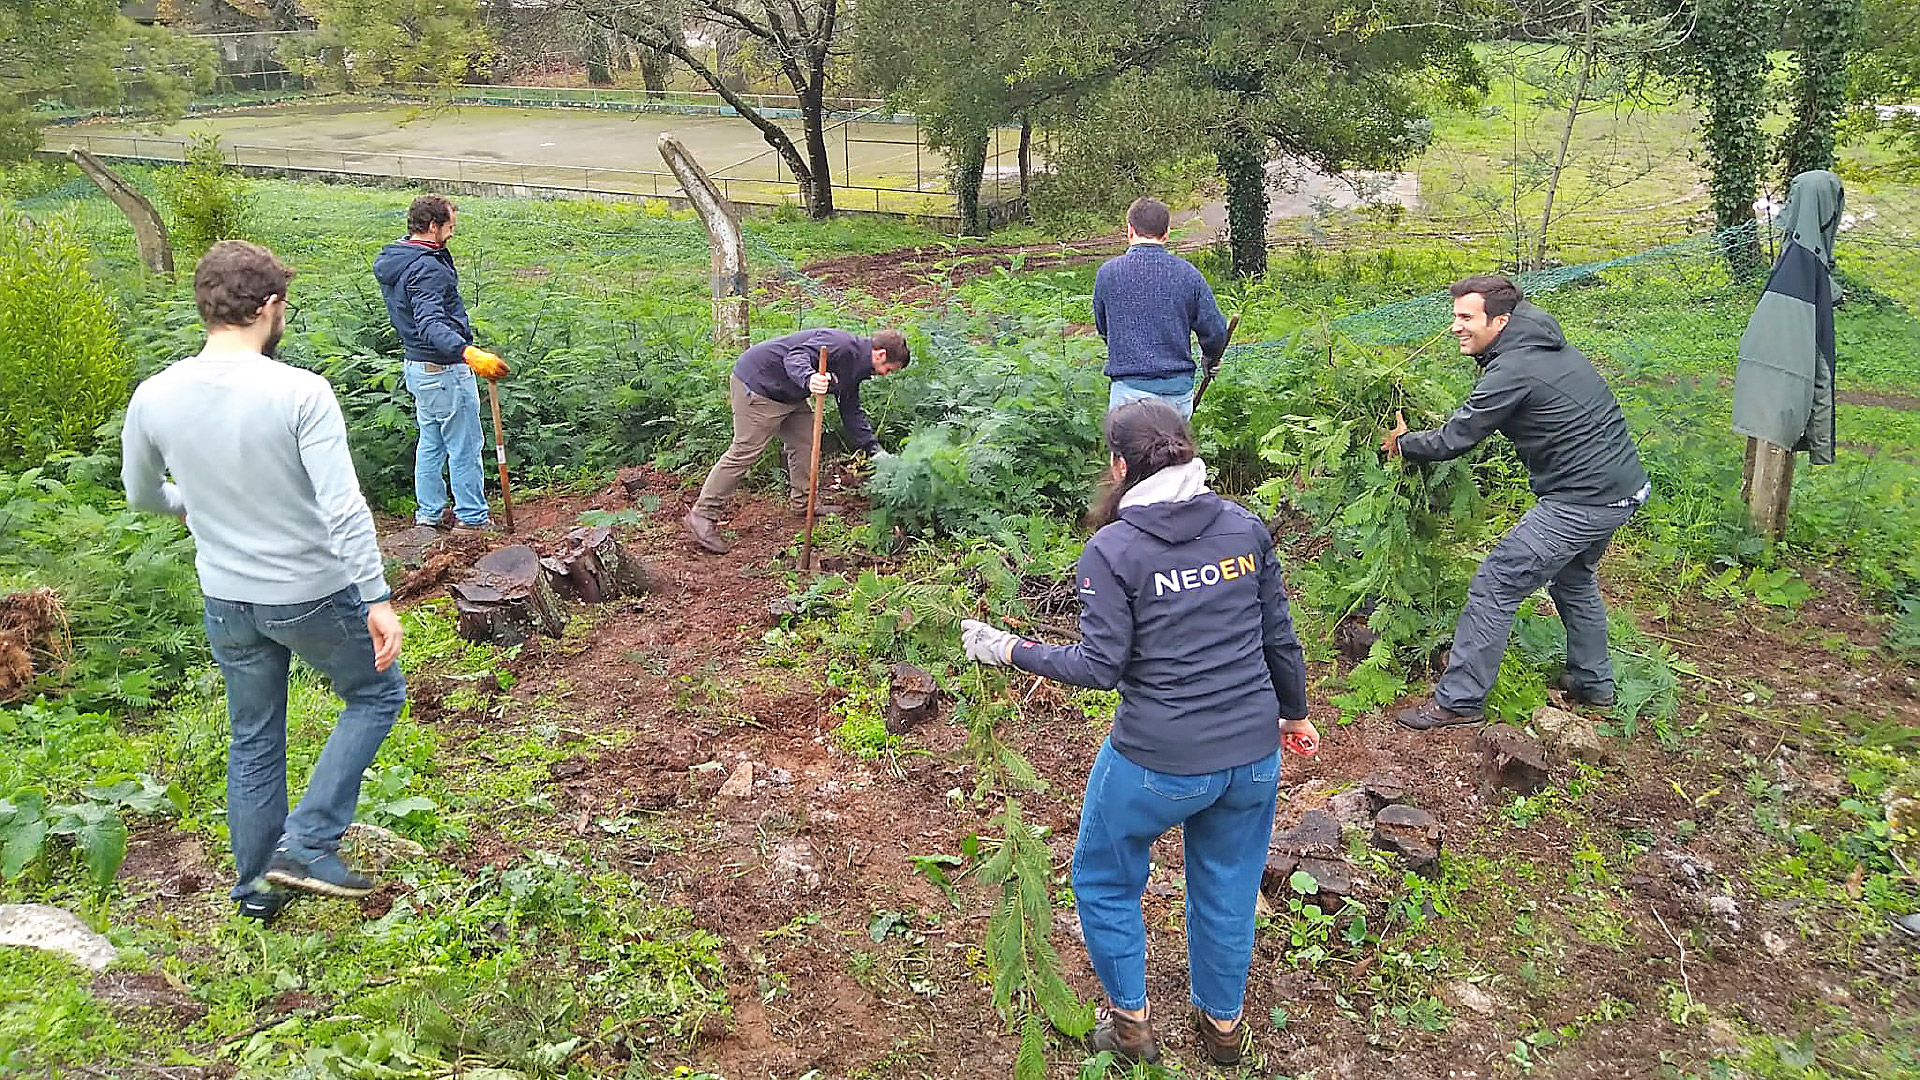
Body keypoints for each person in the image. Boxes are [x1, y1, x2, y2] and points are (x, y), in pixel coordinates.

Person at [959, 399, 1315, 1067]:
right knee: (1229, 885)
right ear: (1185, 449)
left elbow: (1100, 665)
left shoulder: (1114, 549)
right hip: (1251, 756)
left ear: (1119, 465)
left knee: (1104, 877)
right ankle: (1224, 1028)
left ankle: (1130, 1028)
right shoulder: (1243, 528)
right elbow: (1279, 639)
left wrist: (1008, 650)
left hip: (1157, 761)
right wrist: (1293, 715)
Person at [122, 241, 407, 922]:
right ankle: (306, 843)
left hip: (227, 597)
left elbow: (140, 492)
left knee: (253, 736)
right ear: (269, 307)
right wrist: (376, 595)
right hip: (309, 590)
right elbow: (341, 506)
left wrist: (183, 501)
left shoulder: (155, 395)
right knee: (375, 693)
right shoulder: (299, 392)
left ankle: (254, 892)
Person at [1383, 274, 1650, 730]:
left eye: (1466, 318)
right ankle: (1593, 684)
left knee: (1496, 583)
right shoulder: (1538, 346)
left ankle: (1460, 701)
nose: (1456, 327)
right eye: (1455, 316)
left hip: (1582, 500)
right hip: (1621, 490)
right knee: (1574, 578)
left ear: (1500, 320)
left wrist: (1405, 445)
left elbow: (1459, 435)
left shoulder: (1515, 368)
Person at [684, 326, 911, 554]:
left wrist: (874, 450)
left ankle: (803, 503)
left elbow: (851, 411)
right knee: (744, 452)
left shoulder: (856, 366)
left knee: (806, 441)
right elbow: (795, 356)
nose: (885, 374)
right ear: (880, 354)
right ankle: (703, 515)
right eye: (888, 369)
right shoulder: (840, 345)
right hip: (759, 385)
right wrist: (810, 378)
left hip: (788, 393)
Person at [373, 193, 510, 533]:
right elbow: (431, 322)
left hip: (418, 368)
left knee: (431, 443)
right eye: (449, 227)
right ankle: (472, 519)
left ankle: (429, 517)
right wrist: (468, 353)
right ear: (433, 226)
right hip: (443, 370)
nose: (451, 233)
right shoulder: (426, 268)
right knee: (464, 445)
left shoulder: (400, 256)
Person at [1092, 197, 1231, 418]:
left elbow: (1104, 328)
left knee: (1127, 453)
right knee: (1172, 452)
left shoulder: (1107, 275)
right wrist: (1210, 358)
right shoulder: (1189, 275)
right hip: (1177, 392)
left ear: (1129, 231)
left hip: (1128, 392)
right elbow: (1215, 331)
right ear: (1166, 233)